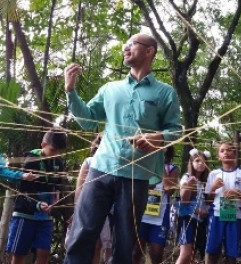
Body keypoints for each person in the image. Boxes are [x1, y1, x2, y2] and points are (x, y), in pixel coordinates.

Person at [63, 32, 181, 264]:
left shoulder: (165, 92)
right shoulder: (110, 88)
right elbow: (88, 120)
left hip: (138, 176)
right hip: (101, 168)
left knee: (126, 242)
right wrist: (70, 90)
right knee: (82, 232)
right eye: (125, 45)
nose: (125, 48)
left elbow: (175, 131)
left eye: (132, 44)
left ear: (149, 51)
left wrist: (157, 137)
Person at [6, 129, 67, 264]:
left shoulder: (58, 163)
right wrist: (37, 204)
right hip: (26, 213)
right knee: (19, 254)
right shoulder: (31, 161)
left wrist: (56, 196)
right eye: (53, 150)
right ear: (43, 144)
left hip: (46, 216)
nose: (55, 154)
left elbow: (57, 184)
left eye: (59, 151)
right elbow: (24, 191)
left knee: (43, 252)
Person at [66, 133, 112, 264]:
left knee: (101, 246)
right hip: (88, 209)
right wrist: (77, 212)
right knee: (89, 243)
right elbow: (79, 189)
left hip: (109, 213)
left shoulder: (117, 165)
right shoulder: (90, 161)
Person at [204, 141, 241, 264]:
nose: (226, 152)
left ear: (235, 153)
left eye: (229, 150)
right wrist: (213, 188)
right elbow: (208, 200)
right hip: (216, 215)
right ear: (218, 156)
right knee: (213, 251)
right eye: (222, 150)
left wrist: (239, 194)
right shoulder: (213, 174)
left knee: (232, 254)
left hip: (235, 216)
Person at [132, 146, 180, 264]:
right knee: (136, 252)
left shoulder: (172, 168)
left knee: (156, 255)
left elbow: (170, 190)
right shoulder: (142, 164)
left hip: (160, 218)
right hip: (142, 215)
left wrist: (159, 164)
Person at [175, 148, 210, 264]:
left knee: (192, 255)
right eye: (197, 161)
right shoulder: (186, 177)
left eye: (203, 161)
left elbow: (207, 201)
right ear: (191, 162)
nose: (200, 164)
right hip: (188, 219)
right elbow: (184, 201)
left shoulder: (205, 181)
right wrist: (189, 184)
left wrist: (206, 211)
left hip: (201, 222)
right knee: (185, 254)